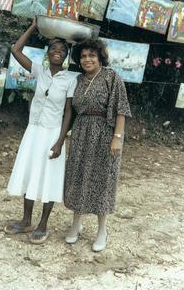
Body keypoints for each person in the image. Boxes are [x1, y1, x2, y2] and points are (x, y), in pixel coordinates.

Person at [4, 18, 76, 244]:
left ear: (66, 56)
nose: (57, 52)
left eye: (62, 50)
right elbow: (15, 50)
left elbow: (68, 113)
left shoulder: (70, 79)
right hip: (34, 130)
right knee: (30, 172)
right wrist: (34, 27)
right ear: (48, 53)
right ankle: (26, 220)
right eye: (54, 48)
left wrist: (60, 141)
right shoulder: (39, 70)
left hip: (53, 133)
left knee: (49, 178)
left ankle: (43, 224)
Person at [64, 38, 131, 252]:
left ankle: (102, 230)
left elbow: (122, 109)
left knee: (102, 180)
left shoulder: (112, 77)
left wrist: (117, 138)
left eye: (92, 55)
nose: (87, 59)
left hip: (105, 133)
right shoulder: (78, 80)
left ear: (100, 57)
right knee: (78, 176)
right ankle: (77, 223)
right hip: (81, 133)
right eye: (83, 56)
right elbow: (70, 110)